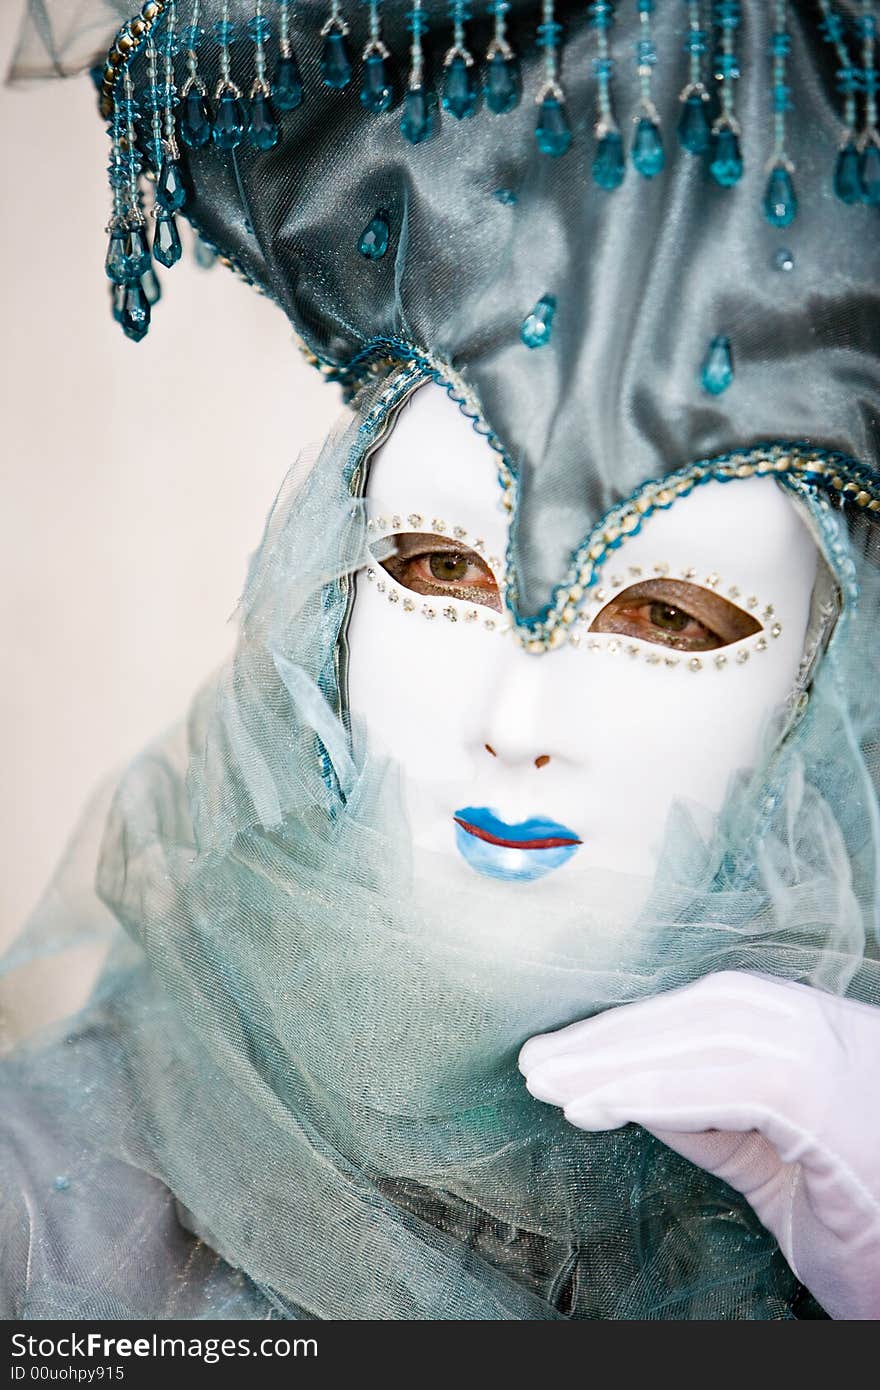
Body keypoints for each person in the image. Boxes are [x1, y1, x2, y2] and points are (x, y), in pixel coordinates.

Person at [3, 0, 879, 1319]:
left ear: (821, 688)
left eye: (666, 619)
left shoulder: (837, 1193)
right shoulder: (48, 1205)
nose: (516, 718)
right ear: (330, 593)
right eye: (439, 568)